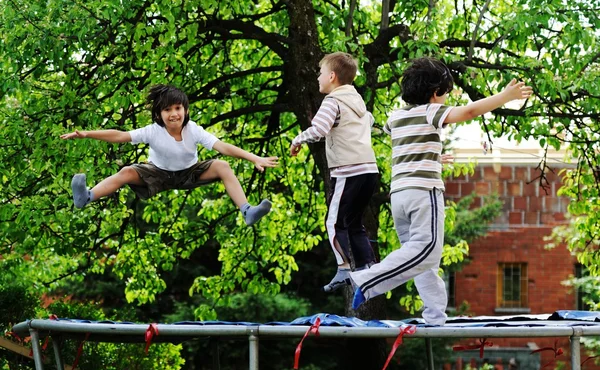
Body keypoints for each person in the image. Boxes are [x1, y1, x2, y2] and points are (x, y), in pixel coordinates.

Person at [350, 57, 533, 324]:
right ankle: (367, 280)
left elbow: (408, 148)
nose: (448, 100)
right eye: (446, 94)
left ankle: (435, 315)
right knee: (427, 250)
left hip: (400, 196)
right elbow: (469, 112)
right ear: (436, 93)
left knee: (424, 261)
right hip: (424, 193)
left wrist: (434, 157)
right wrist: (504, 96)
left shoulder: (396, 118)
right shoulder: (431, 111)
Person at [61, 84, 278, 226]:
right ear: (159, 114)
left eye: (177, 108)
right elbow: (119, 136)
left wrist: (254, 158)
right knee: (127, 171)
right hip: (158, 173)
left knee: (222, 166)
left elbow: (223, 146)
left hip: (190, 173)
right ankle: (87, 197)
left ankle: (247, 210)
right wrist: (87, 134)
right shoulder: (153, 131)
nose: (174, 114)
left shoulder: (193, 129)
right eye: (167, 110)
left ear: (185, 110)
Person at [290, 52, 379, 292]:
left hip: (348, 171)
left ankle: (343, 268)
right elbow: (370, 123)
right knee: (354, 223)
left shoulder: (333, 101)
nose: (318, 78)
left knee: (333, 222)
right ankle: (367, 270)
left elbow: (319, 129)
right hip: (369, 171)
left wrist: (297, 139)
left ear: (331, 76)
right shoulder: (358, 102)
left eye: (320, 74)